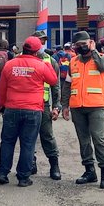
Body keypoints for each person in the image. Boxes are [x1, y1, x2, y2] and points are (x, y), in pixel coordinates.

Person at [0, 36, 58, 187]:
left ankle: (3, 173)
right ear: (37, 52)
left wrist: (2, 106)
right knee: (28, 144)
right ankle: (23, 177)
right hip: (33, 110)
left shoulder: (10, 65)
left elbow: (2, 89)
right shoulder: (41, 65)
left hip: (11, 108)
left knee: (7, 141)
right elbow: (53, 81)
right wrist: (46, 63)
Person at [65, 30, 104, 188]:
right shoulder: (73, 62)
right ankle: (89, 171)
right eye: (78, 46)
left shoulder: (102, 58)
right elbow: (67, 84)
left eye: (84, 45)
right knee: (83, 141)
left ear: (90, 43)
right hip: (77, 106)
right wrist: (64, 105)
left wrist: (93, 51)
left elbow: (103, 67)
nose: (81, 48)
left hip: (96, 106)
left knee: (98, 138)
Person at [28, 30, 62, 180]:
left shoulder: (50, 61)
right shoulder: (24, 59)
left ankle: (54, 166)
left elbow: (56, 86)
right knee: (28, 137)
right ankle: (31, 162)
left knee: (47, 136)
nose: (42, 44)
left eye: (43, 41)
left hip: (44, 105)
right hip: (27, 105)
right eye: (40, 40)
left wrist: (56, 106)